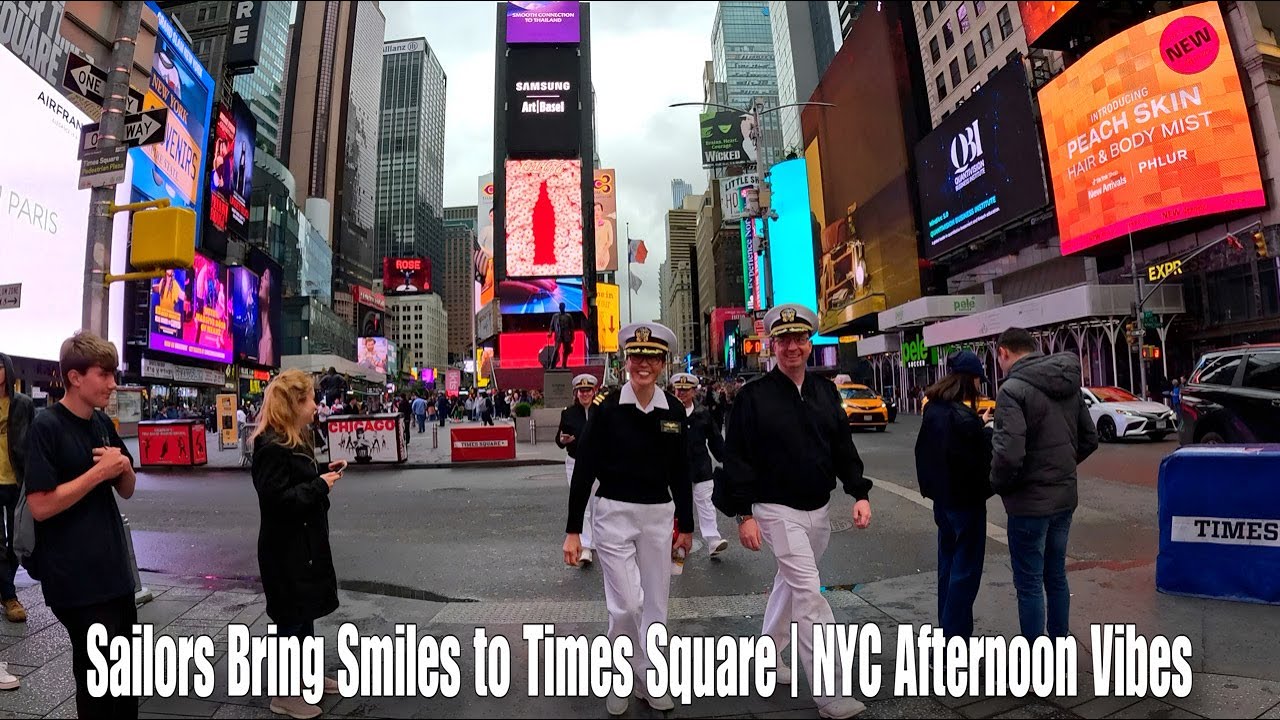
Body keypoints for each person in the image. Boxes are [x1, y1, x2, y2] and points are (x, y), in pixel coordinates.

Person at [716, 304, 871, 719]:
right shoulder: (752, 397)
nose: (792, 347)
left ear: (809, 342)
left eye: (799, 339)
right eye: (783, 340)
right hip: (774, 509)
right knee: (809, 593)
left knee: (790, 583)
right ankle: (831, 693)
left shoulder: (824, 392)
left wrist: (859, 492)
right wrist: (742, 514)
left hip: (818, 510)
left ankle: (767, 654)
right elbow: (737, 459)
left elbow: (842, 447)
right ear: (772, 345)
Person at [564, 323, 692, 716]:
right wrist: (573, 531)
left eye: (652, 358)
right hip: (613, 515)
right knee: (625, 605)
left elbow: (680, 471)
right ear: (625, 361)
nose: (643, 365)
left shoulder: (672, 409)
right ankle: (625, 674)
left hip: (658, 515)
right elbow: (584, 468)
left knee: (655, 604)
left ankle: (649, 678)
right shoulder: (605, 409)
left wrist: (686, 526)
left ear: (662, 363)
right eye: (636, 357)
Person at [24, 332, 138, 716]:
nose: (112, 383)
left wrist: (121, 467)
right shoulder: (46, 427)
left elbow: (127, 489)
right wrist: (98, 472)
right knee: (97, 682)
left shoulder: (102, 422)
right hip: (75, 579)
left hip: (114, 574)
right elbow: (40, 506)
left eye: (113, 374)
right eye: (103, 374)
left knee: (124, 680)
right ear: (75, 377)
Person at [990, 327, 1098, 639]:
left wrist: (1000, 484)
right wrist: (1060, 467)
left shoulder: (1012, 390)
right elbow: (1089, 439)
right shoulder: (1068, 385)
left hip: (1028, 504)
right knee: (1055, 576)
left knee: (1029, 585)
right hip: (1063, 499)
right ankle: (1059, 645)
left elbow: (1007, 456)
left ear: (1004, 353)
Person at [250, 369, 345, 719]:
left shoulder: (294, 438)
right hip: (285, 551)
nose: (317, 407)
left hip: (303, 546)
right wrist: (320, 485)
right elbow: (277, 500)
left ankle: (308, 677)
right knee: (290, 623)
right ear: (293, 404)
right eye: (310, 400)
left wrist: (323, 472)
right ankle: (285, 695)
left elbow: (299, 478)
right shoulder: (271, 446)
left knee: (304, 617)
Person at [915, 351, 994, 641]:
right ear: (970, 380)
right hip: (967, 504)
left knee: (947, 569)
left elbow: (924, 453)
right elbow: (981, 461)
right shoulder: (965, 419)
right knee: (966, 575)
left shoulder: (934, 410)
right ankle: (953, 642)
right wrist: (985, 431)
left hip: (942, 501)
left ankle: (950, 636)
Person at [671, 372, 728, 558]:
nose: (681, 393)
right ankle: (677, 541)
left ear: (694, 391)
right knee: (677, 507)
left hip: (701, 467)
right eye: (679, 390)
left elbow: (715, 440)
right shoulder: (668, 413)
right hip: (677, 470)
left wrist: (727, 461)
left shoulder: (702, 413)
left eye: (685, 390)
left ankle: (713, 540)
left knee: (706, 503)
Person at [0, 354, 32, 625]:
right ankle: (10, 597)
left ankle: (4, 588)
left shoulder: (23, 405)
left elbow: (32, 445)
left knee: (17, 544)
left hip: (17, 482)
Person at [558, 374, 599, 567]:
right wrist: (564, 440)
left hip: (599, 463)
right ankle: (587, 547)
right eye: (581, 391)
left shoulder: (601, 411)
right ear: (576, 393)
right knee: (583, 506)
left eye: (588, 390)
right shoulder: (569, 413)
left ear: (594, 391)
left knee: (598, 504)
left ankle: (599, 541)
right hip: (575, 461)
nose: (585, 394)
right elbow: (559, 439)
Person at [550, 303, 575, 369]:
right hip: (558, 335)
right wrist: (550, 333)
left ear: (564, 307)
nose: (561, 308)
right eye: (560, 306)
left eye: (562, 306)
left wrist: (572, 336)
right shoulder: (555, 316)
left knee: (566, 351)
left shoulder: (568, 316)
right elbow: (551, 326)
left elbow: (572, 327)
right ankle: (552, 365)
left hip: (566, 335)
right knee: (556, 350)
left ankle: (564, 364)